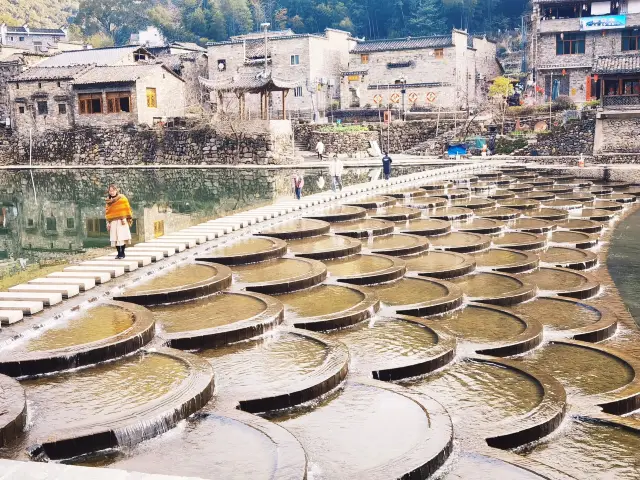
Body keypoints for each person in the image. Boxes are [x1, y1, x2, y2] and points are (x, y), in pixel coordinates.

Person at [105, 184, 133, 259]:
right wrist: (108, 222)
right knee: (115, 238)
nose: (111, 192)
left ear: (116, 190)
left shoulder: (122, 198)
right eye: (110, 191)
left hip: (122, 221)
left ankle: (122, 253)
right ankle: (118, 253)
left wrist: (125, 217)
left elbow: (127, 208)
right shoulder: (108, 200)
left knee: (122, 237)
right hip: (113, 221)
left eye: (113, 190)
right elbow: (107, 212)